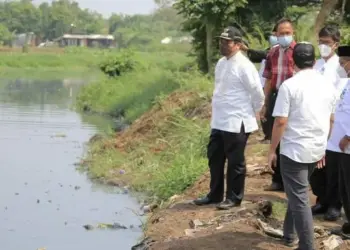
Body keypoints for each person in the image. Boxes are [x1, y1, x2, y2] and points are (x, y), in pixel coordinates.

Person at [267, 42, 338, 250]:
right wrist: (324, 144)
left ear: (292, 62)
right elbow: (332, 119)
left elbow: (281, 121)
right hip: (316, 148)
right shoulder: (327, 85)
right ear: (314, 61)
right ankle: (289, 234)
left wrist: (272, 150)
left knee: (299, 199)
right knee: (296, 192)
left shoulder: (289, 86)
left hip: (294, 151)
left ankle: (307, 246)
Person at [193, 26, 264, 210]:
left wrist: (255, 110)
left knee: (235, 161)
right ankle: (215, 194)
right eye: (221, 41)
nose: (223, 45)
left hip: (236, 120)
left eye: (227, 42)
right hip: (219, 120)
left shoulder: (244, 66)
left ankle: (234, 197)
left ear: (238, 45)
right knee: (214, 157)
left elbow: (257, 92)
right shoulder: (221, 63)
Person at [309, 25, 345, 221]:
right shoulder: (315, 65)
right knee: (317, 163)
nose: (323, 46)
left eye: (327, 43)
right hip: (316, 119)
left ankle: (335, 204)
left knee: (333, 164)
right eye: (320, 42)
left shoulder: (340, 67)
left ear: (336, 44)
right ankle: (321, 200)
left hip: (334, 121)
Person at [262, 18, 296, 191]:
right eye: (281, 33)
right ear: (275, 35)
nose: (284, 36)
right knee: (276, 135)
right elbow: (268, 79)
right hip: (276, 96)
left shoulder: (298, 51)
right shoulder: (273, 53)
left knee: (290, 135)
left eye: (287, 33)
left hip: (293, 98)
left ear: (293, 33)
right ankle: (277, 179)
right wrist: (265, 103)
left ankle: (290, 179)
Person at [329, 45, 350, 239]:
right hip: (343, 147)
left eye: (343, 63)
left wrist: (348, 135)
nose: (341, 66)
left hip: (348, 143)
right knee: (345, 188)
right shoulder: (347, 82)